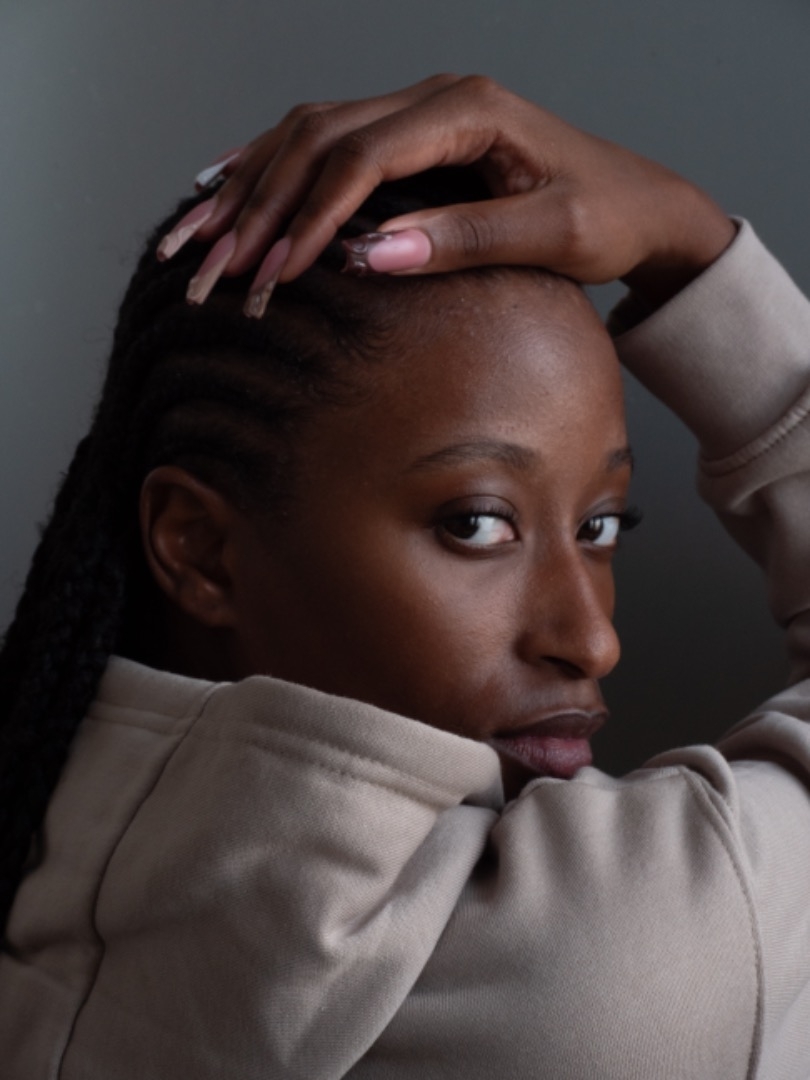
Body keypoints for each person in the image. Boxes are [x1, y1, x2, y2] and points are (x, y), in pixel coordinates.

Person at [2, 74, 810, 1078]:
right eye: (476, 523)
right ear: (199, 548)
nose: (592, 639)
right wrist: (689, 242)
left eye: (601, 525)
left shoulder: (51, 837)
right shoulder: (613, 961)